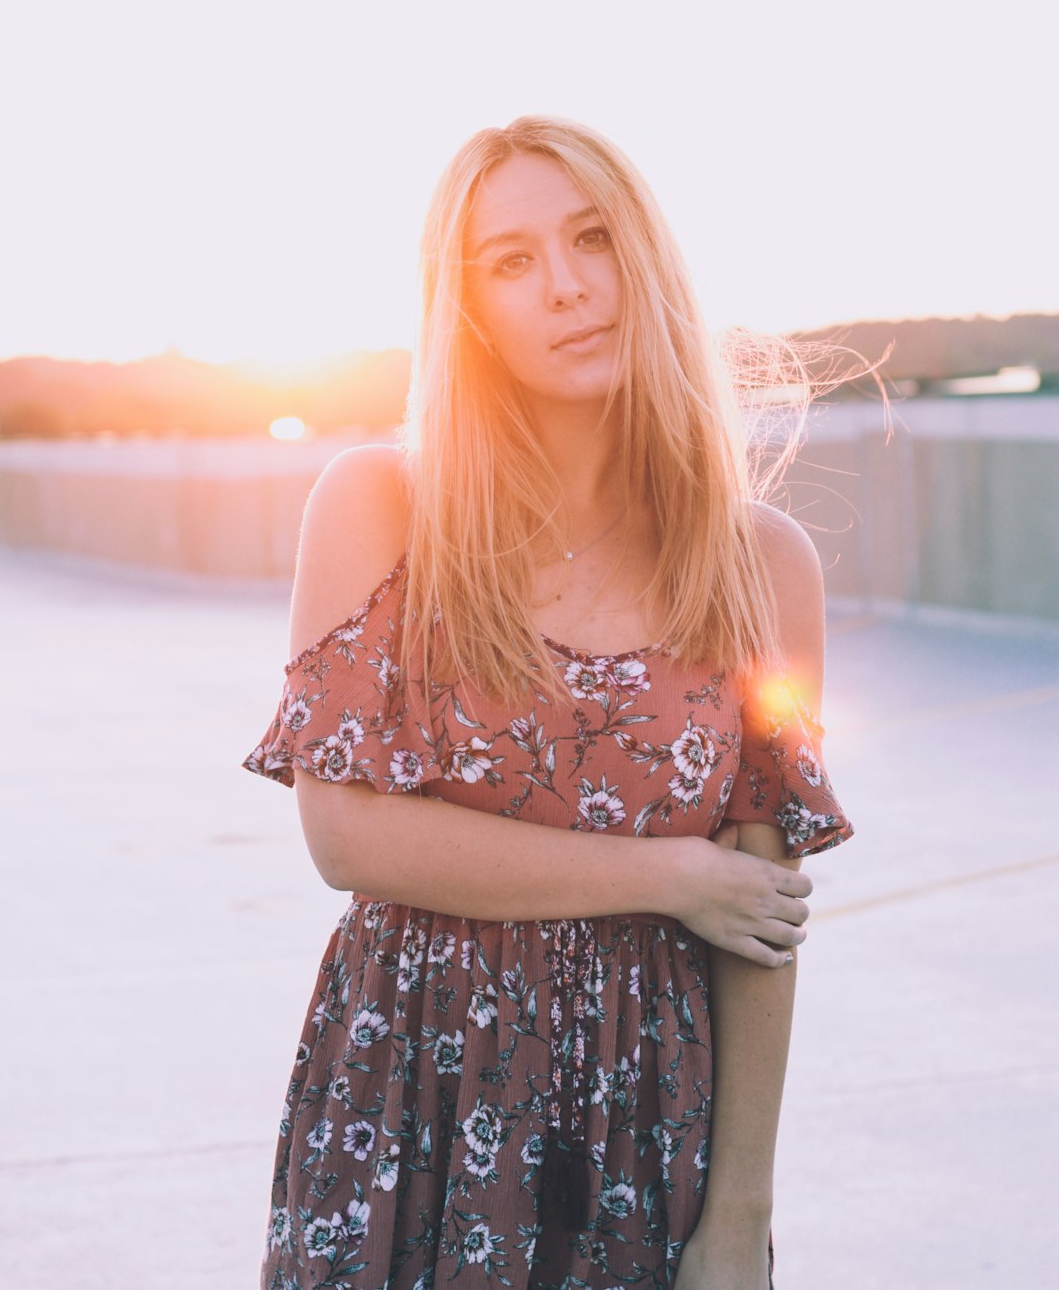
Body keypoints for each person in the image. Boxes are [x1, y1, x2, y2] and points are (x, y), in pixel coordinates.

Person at [243, 115, 854, 1289]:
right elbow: (345, 835)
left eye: (593, 239)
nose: (569, 288)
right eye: (512, 263)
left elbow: (762, 912)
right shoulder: (382, 508)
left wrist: (738, 1217)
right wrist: (670, 877)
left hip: (651, 1119)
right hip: (408, 1101)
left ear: (648, 258)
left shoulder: (761, 565)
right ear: (464, 308)